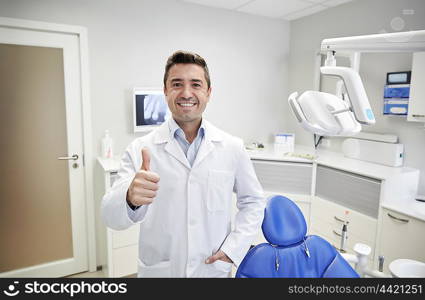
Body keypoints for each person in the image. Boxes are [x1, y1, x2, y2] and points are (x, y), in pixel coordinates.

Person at [101, 50, 265, 277]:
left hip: (212, 269)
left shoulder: (232, 147)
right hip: (160, 271)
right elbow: (111, 217)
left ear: (208, 92)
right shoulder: (141, 149)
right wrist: (129, 198)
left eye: (196, 84)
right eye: (177, 84)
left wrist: (233, 249)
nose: (186, 93)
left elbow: (254, 202)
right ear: (165, 91)